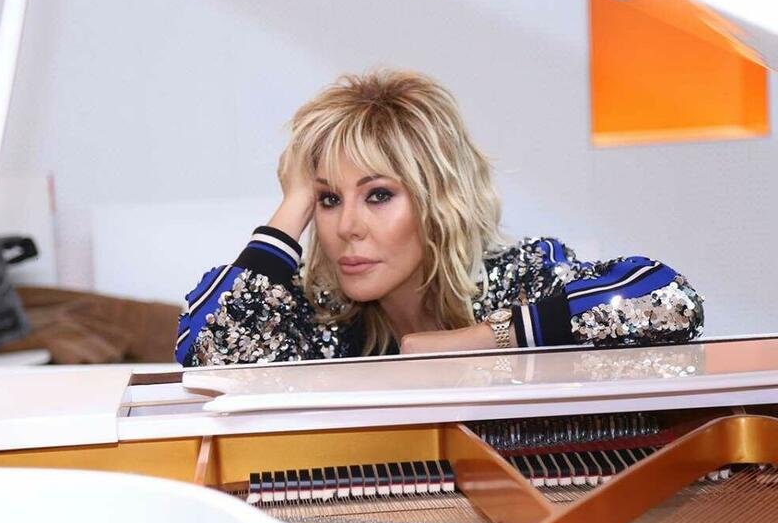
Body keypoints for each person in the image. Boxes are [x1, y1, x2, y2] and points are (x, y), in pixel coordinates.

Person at [175, 69, 704, 367]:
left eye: (378, 195)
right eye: (329, 200)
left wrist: (472, 340)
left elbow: (667, 300)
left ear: (436, 200)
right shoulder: (320, 318)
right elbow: (207, 349)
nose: (347, 227)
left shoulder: (514, 278)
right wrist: (294, 202)